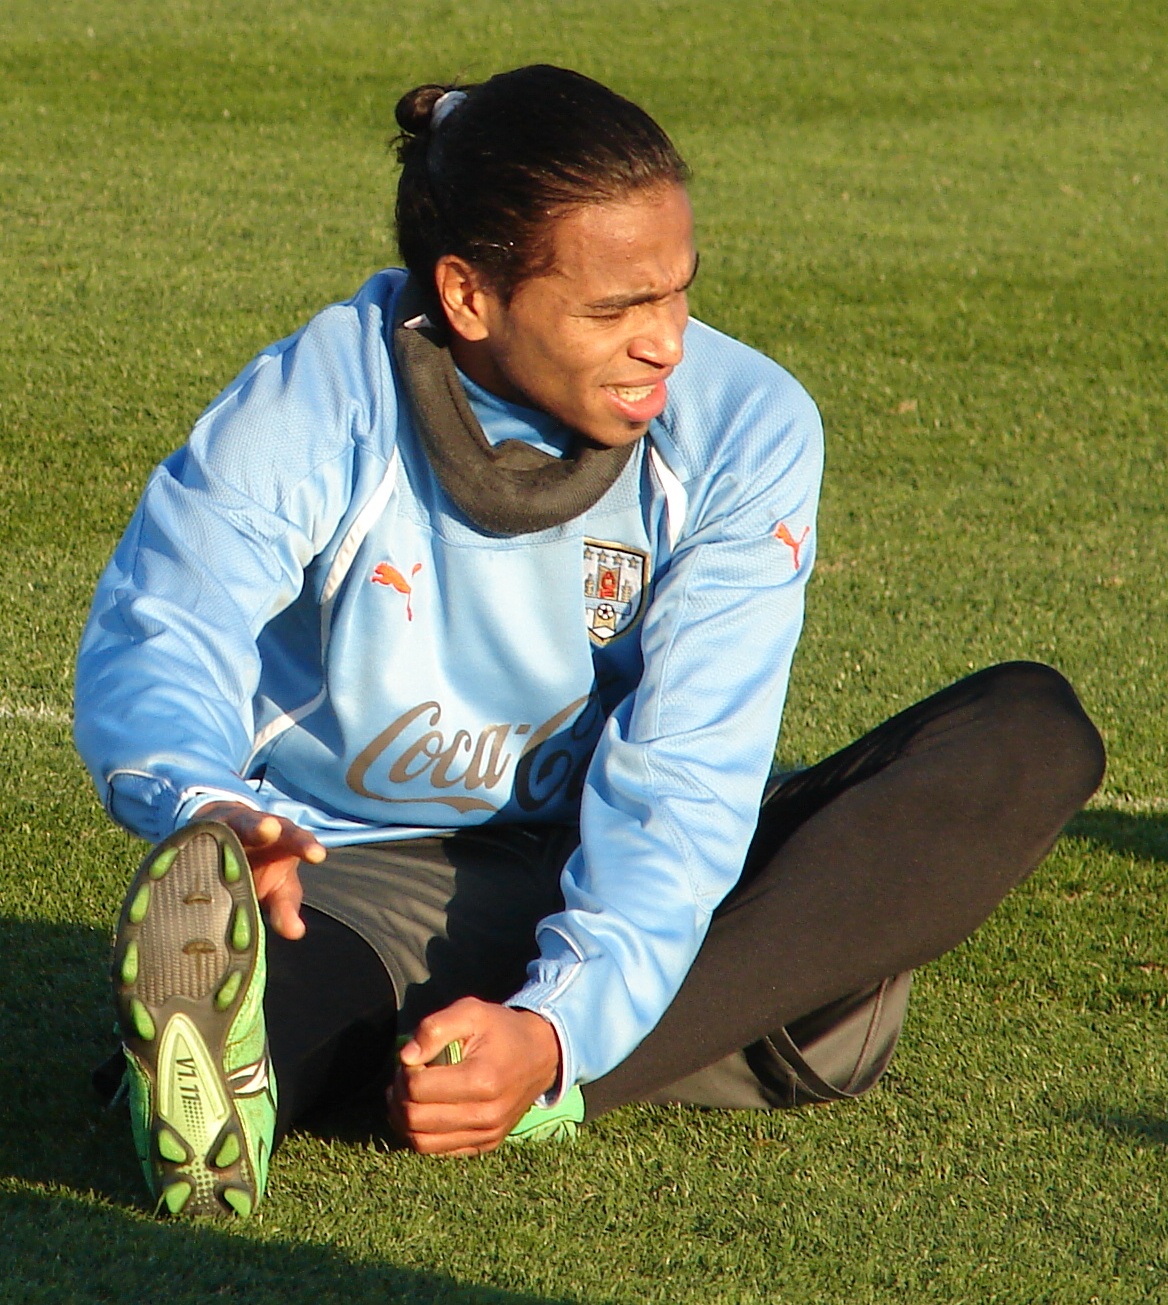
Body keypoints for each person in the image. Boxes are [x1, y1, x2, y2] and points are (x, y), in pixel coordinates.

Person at [75, 64, 1105, 1219]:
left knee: (1027, 736)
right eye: (615, 309)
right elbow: (166, 623)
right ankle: (297, 1061)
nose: (665, 342)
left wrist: (557, 1032)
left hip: (637, 872)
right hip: (362, 877)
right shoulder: (320, 397)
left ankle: (513, 1072)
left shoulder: (744, 422)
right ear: (469, 296)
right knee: (275, 985)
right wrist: (207, 803)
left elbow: (684, 779)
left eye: (678, 291)